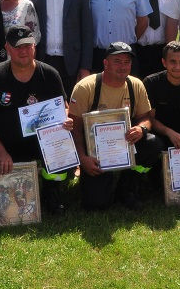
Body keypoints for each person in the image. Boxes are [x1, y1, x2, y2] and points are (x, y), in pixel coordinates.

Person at [0, 26, 72, 215]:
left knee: (62, 145)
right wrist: (1, 152)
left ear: (34, 46)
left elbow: (64, 108)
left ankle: (51, 192)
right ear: (7, 48)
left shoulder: (49, 74)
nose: (23, 51)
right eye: (18, 46)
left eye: (28, 45)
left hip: (40, 144)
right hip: (4, 147)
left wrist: (66, 119)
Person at [68, 42, 161, 210]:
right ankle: (102, 183)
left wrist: (141, 129)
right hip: (94, 152)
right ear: (105, 63)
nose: (123, 66)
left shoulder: (136, 85)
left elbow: (146, 118)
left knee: (152, 143)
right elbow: (75, 128)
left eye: (127, 62)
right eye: (117, 61)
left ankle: (128, 185)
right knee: (96, 204)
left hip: (126, 145)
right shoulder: (85, 87)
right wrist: (82, 159)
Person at [29, 0, 94, 96]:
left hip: (72, 63)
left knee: (70, 107)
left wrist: (85, 67)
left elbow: (87, 31)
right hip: (43, 60)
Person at [143, 41, 180, 148]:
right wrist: (169, 132)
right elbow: (149, 118)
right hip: (160, 136)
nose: (177, 66)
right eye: (173, 61)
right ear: (164, 62)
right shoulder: (151, 83)